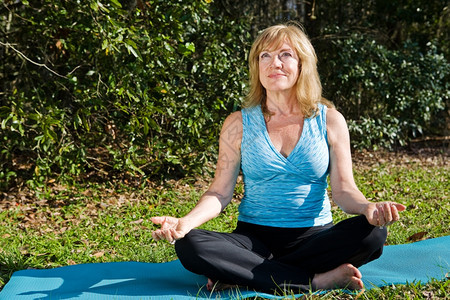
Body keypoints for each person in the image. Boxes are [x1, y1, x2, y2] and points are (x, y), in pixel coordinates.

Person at [151, 22, 406, 293]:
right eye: (265, 56)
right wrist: (186, 222)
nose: (275, 63)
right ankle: (314, 281)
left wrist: (368, 207)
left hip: (314, 237)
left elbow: (344, 190)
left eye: (285, 54)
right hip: (253, 239)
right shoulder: (237, 124)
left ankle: (244, 273)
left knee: (373, 234)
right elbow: (219, 192)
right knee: (190, 244)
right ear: (257, 67)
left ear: (301, 65)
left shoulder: (330, 120)